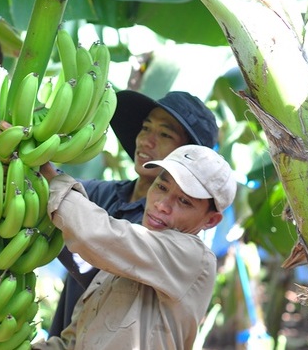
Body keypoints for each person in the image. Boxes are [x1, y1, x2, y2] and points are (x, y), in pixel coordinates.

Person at [31, 144, 237, 349]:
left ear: (210, 220)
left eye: (184, 201)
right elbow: (75, 343)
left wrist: (51, 179)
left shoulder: (195, 258)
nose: (162, 205)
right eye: (161, 187)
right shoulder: (122, 263)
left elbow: (95, 234)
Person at [49, 90, 219, 337]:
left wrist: (49, 179)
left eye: (164, 134)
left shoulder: (171, 236)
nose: (146, 140)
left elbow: (97, 235)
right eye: (146, 127)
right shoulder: (104, 193)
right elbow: (56, 191)